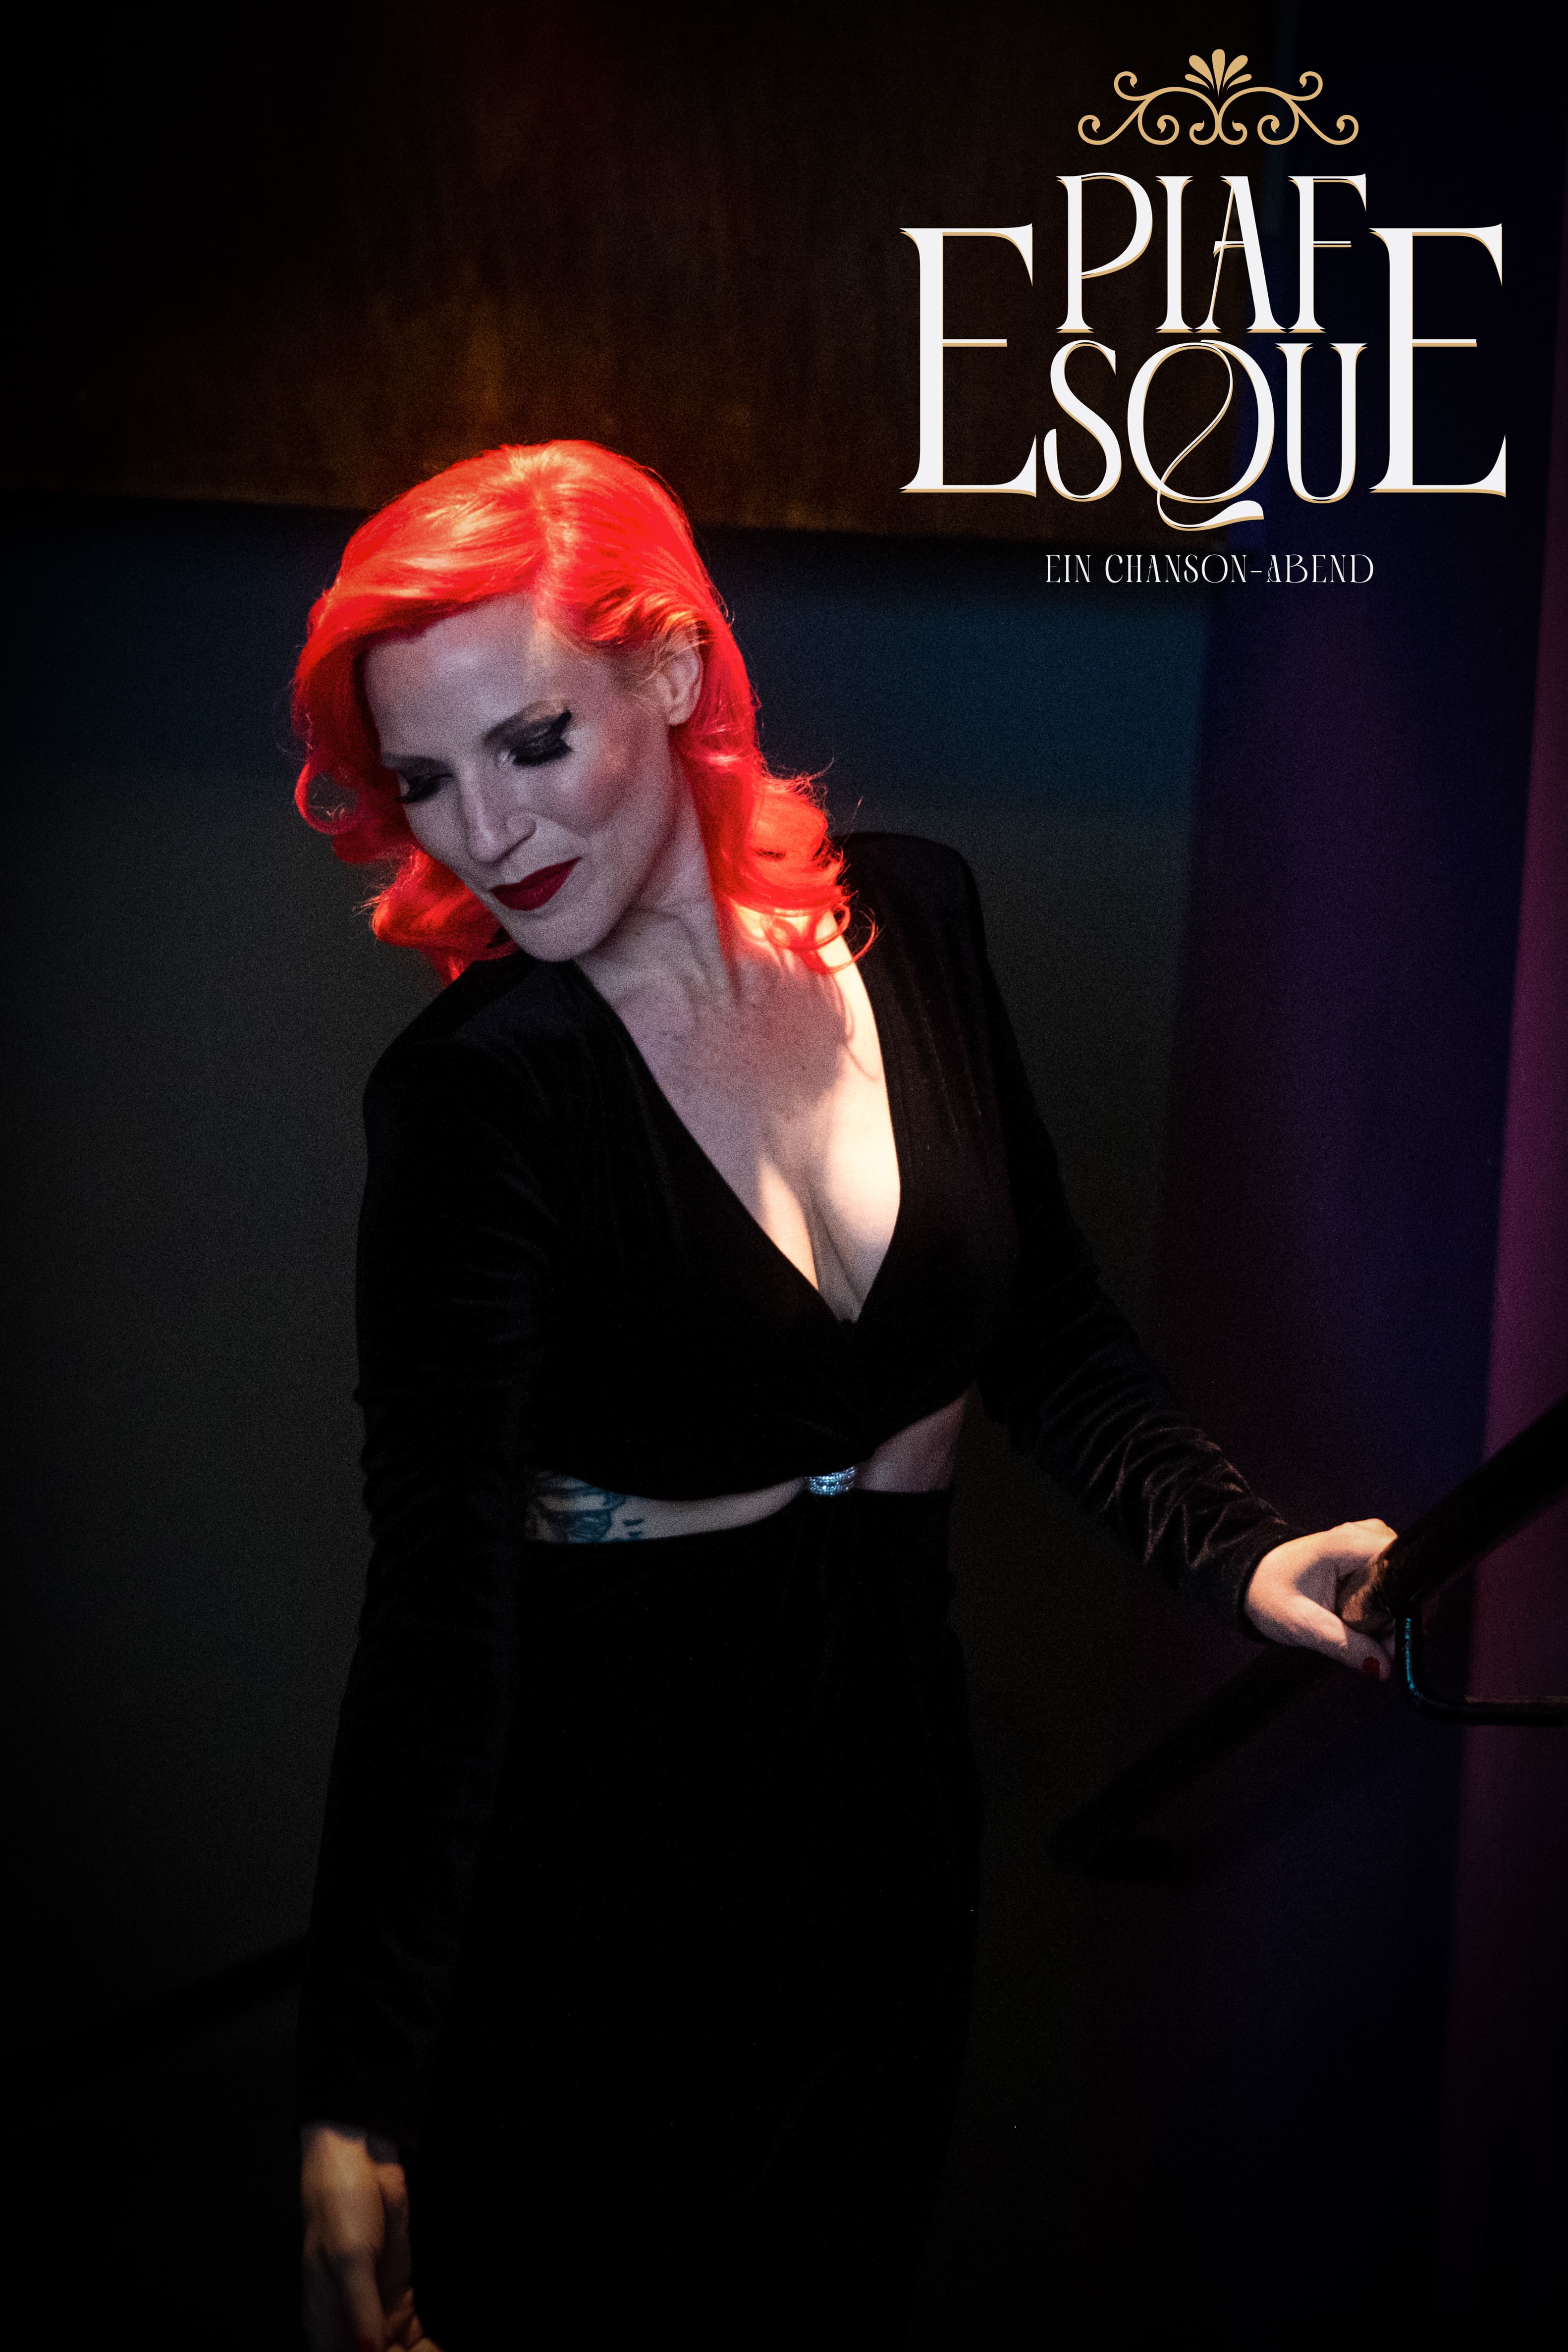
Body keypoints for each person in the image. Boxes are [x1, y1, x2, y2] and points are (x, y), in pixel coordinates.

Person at [292, 440, 1396, 2351]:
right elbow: (438, 1603)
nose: (485, 827)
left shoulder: (916, 918)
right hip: (608, 1844)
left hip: (889, 1797)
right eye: (427, 779)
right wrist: (356, 2097)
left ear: (672, 671)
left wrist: (1240, 1553)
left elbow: (1043, 1320)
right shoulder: (476, 1098)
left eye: (532, 742)